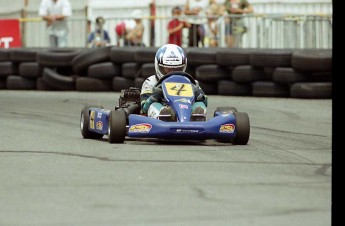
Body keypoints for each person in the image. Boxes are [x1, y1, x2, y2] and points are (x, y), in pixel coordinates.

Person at [140, 44, 208, 121]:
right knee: (153, 105)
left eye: (176, 69)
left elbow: (205, 102)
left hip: (186, 109)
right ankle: (165, 116)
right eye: (168, 69)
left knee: (200, 105)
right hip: (162, 111)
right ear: (159, 66)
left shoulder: (190, 82)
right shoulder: (151, 82)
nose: (172, 72)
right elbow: (144, 107)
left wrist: (197, 93)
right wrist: (155, 96)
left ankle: (197, 118)